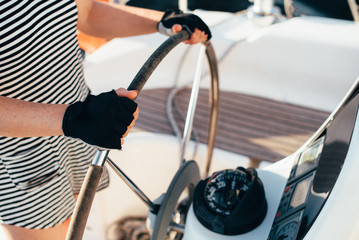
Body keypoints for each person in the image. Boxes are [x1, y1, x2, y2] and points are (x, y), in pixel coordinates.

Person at [0, 0, 211, 240]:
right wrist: (73, 118)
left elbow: (87, 14)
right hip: (25, 154)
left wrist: (162, 21)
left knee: (74, 223)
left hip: (76, 128)